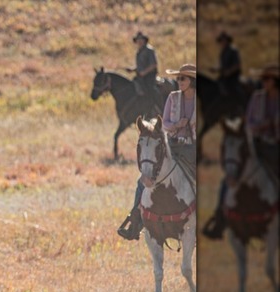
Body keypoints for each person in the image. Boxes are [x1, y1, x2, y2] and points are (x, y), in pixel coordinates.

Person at [118, 64, 197, 240]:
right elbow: (165, 122)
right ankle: (135, 220)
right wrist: (177, 125)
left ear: (191, 81)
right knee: (144, 179)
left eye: (182, 78)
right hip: (172, 145)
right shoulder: (173, 98)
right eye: (178, 78)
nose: (179, 81)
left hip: (193, 146)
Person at [203, 65, 279, 239]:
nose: (264, 82)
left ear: (275, 82)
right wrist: (259, 127)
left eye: (267, 79)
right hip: (255, 144)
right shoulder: (257, 98)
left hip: (275, 146)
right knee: (231, 174)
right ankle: (220, 218)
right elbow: (250, 121)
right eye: (263, 79)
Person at [126, 31, 161, 112]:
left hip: (150, 76)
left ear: (144, 40)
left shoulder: (149, 50)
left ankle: (156, 108)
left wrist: (144, 72)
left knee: (150, 89)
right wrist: (133, 69)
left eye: (141, 39)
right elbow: (140, 66)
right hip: (141, 76)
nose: (139, 41)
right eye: (138, 40)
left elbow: (153, 64)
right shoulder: (139, 52)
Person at [210, 31, 243, 101]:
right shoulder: (223, 52)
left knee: (234, 89)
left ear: (227, 40)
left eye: (224, 40)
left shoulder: (233, 50)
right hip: (224, 76)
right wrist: (215, 69)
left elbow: (237, 65)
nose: (222, 42)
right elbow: (222, 66)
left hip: (233, 76)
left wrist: (229, 71)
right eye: (221, 41)